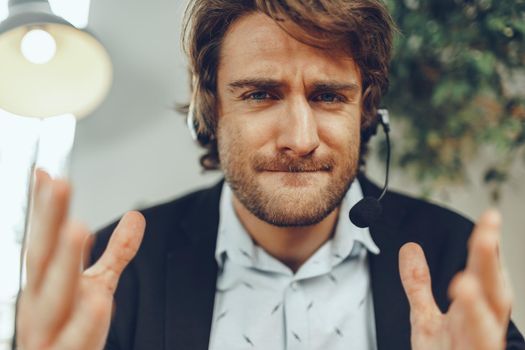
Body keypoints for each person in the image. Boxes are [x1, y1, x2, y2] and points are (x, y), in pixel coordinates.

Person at [15, 0, 525, 349]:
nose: (300, 139)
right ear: (209, 111)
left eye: (329, 96)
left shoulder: (451, 258)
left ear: (367, 113)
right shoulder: (118, 274)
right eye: (260, 94)